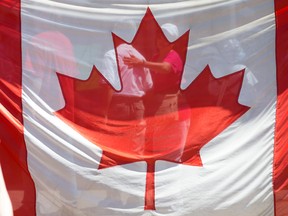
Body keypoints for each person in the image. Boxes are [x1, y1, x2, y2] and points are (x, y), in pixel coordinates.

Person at [123, 23, 190, 161]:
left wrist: (142, 63)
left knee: (172, 154)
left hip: (175, 111)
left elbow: (166, 68)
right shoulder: (155, 57)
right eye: (160, 37)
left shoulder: (174, 56)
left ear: (172, 42)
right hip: (157, 109)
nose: (161, 40)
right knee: (159, 152)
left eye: (166, 38)